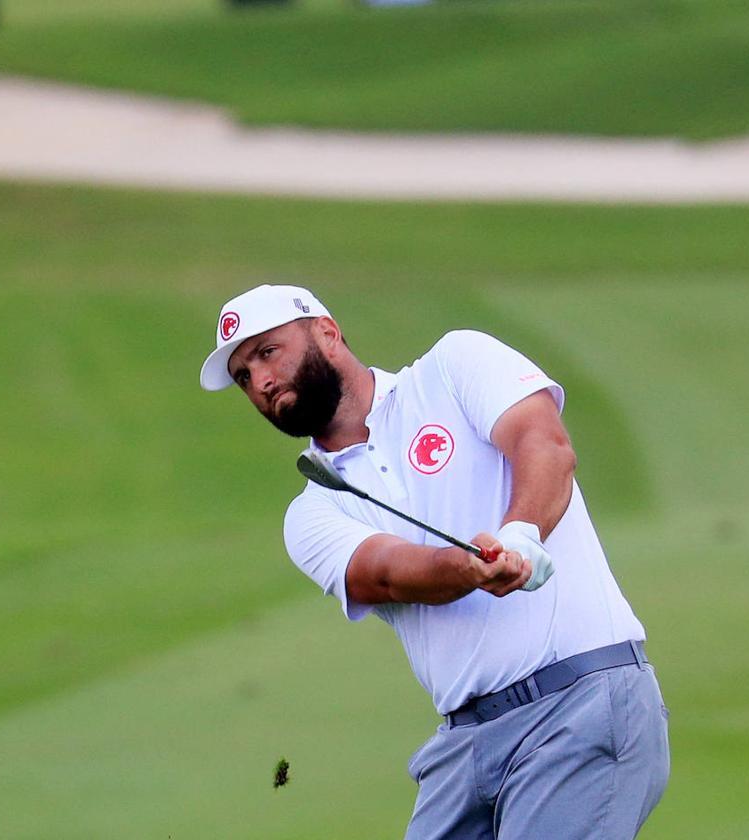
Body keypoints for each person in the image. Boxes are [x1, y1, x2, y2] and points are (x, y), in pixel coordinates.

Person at [199, 284, 669, 839]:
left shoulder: (452, 367)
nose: (261, 381)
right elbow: (388, 573)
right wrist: (470, 568)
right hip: (465, 745)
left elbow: (544, 444)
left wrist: (521, 535)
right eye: (243, 376)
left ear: (327, 332)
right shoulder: (311, 511)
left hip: (579, 703)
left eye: (267, 352)